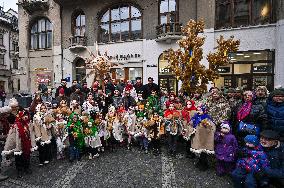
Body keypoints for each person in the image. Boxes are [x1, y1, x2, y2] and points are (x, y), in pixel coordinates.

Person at [1, 109, 37, 177]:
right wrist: (10, 146)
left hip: (27, 143)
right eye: (24, 115)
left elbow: (32, 133)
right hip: (19, 144)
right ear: (20, 116)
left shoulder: (29, 123)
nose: (25, 117)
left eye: (26, 115)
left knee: (27, 156)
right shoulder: (16, 125)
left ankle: (27, 167)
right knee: (18, 158)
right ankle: (19, 170)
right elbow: (11, 136)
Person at [189, 105, 216, 171]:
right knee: (199, 149)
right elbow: (193, 121)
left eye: (200, 110)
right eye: (197, 110)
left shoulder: (207, 117)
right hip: (198, 135)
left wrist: (206, 125)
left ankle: (204, 164)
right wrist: (192, 121)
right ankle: (200, 162)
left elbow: (211, 126)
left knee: (204, 150)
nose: (198, 111)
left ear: (204, 111)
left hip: (204, 136)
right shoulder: (196, 115)